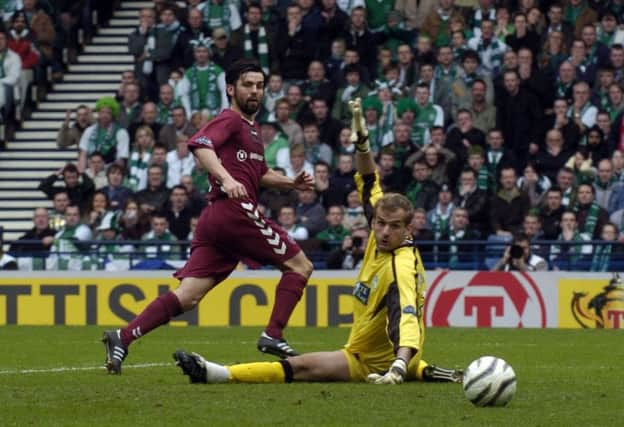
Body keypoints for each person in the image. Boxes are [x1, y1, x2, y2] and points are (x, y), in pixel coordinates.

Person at [172, 97, 462, 385]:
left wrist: (398, 366)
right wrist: (362, 143)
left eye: (394, 227)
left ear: (409, 229)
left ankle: (217, 374)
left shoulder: (402, 264)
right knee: (300, 368)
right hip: (364, 353)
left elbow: (407, 314)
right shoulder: (381, 225)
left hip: (375, 364)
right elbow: (369, 177)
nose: (384, 232)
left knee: (299, 367)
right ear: (372, 220)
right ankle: (427, 371)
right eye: (380, 224)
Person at [102, 60, 316, 374]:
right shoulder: (229, 119)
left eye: (259, 85)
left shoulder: (252, 130)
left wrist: (291, 183)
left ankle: (122, 336)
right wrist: (227, 179)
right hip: (234, 213)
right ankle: (273, 334)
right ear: (231, 89)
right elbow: (200, 145)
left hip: (216, 221)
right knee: (301, 265)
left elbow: (260, 173)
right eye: (247, 84)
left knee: (188, 297)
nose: (255, 90)